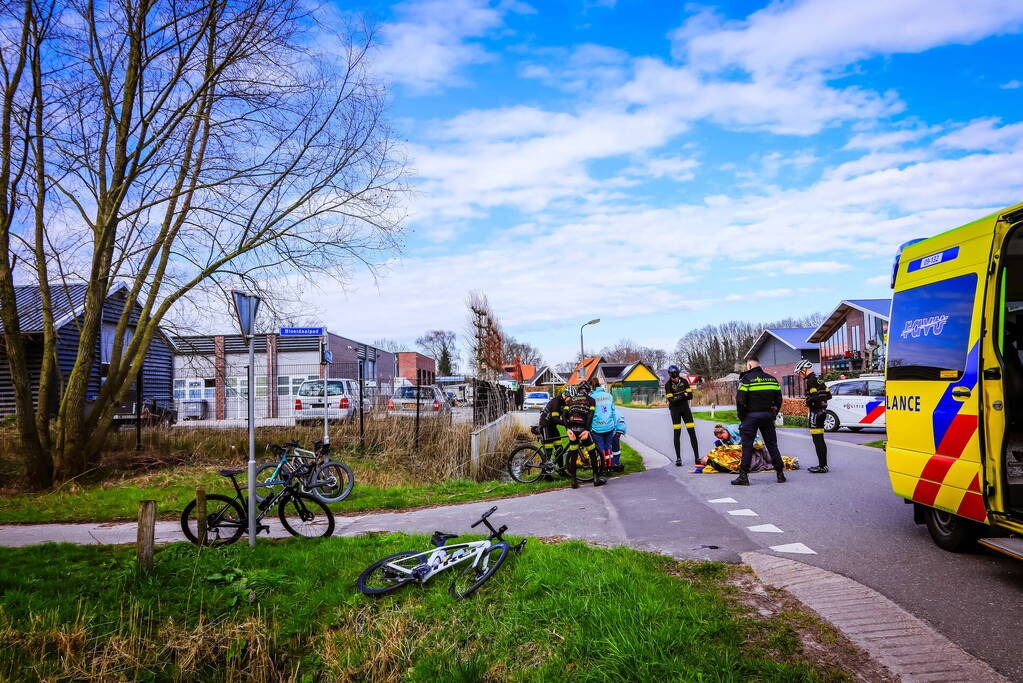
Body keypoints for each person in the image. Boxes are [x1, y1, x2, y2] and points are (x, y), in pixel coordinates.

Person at [733, 356, 786, 486]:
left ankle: (743, 477)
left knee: (747, 446)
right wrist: (773, 414)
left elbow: (740, 401)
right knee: (772, 445)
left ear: (749, 366)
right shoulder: (772, 379)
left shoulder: (745, 379)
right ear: (759, 365)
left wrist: (743, 418)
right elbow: (779, 399)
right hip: (767, 416)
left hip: (750, 417)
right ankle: (780, 473)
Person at [561, 380, 605, 488]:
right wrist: (587, 430)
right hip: (582, 429)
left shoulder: (570, 400)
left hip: (572, 430)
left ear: (579, 390)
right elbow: (590, 416)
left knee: (573, 454)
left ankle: (574, 481)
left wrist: (567, 429)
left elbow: (564, 414)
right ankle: (595, 479)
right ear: (588, 390)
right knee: (592, 452)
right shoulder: (591, 400)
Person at [796, 359, 831, 474]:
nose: (800, 375)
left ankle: (822, 466)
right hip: (823, 412)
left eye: (799, 372)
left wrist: (807, 401)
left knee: (817, 440)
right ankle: (824, 465)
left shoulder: (810, 380)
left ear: (804, 370)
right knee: (821, 439)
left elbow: (814, 397)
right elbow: (829, 395)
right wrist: (822, 401)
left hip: (815, 413)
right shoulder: (819, 379)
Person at [664, 365, 699, 467]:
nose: (675, 379)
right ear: (670, 376)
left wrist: (678, 397)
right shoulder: (668, 385)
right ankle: (678, 458)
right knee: (677, 433)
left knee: (692, 432)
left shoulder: (684, 381)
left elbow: (690, 396)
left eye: (676, 377)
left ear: (678, 374)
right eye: (673, 377)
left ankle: (697, 457)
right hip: (675, 411)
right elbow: (671, 401)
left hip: (685, 409)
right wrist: (683, 395)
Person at [588, 377, 619, 475]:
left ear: (591, 386)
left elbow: (590, 414)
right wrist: (615, 425)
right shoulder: (609, 396)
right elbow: (614, 412)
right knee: (608, 447)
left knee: (600, 448)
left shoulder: (591, 397)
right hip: (609, 426)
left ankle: (603, 467)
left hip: (597, 427)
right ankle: (609, 467)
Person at [538, 387, 569, 475]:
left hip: (553, 426)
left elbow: (564, 417)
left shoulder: (564, 402)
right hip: (546, 425)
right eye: (571, 397)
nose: (571, 400)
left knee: (560, 449)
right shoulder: (556, 402)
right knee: (549, 450)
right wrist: (565, 424)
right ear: (565, 396)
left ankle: (561, 470)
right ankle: (546, 474)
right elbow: (555, 419)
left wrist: (568, 427)